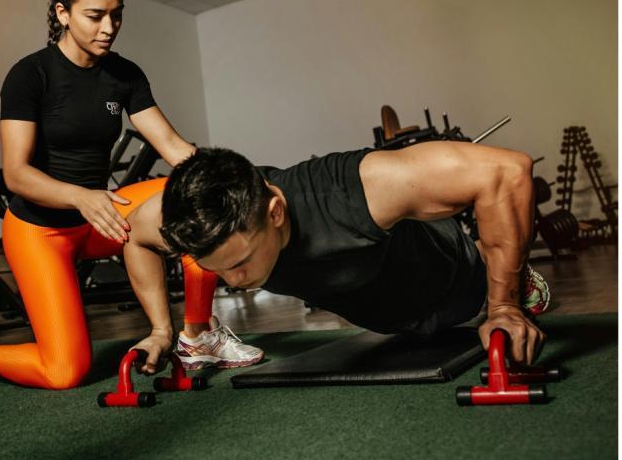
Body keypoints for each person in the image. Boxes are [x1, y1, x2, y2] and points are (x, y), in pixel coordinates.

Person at [0, 0, 262, 389]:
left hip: (103, 217)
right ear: (63, 13)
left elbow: (173, 146)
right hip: (41, 230)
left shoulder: (123, 74)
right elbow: (16, 175)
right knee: (64, 371)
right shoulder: (30, 75)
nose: (109, 27)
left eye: (117, 15)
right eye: (95, 16)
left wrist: (236, 178)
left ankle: (197, 336)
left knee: (198, 199)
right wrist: (80, 196)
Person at [121, 141, 551, 374]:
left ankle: (511, 278)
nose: (234, 281)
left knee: (483, 284)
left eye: (240, 262)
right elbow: (134, 238)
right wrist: (161, 330)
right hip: (390, 321)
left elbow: (507, 171)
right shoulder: (191, 219)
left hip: (457, 283)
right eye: (217, 269)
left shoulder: (355, 190)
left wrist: (505, 307)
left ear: (275, 213)